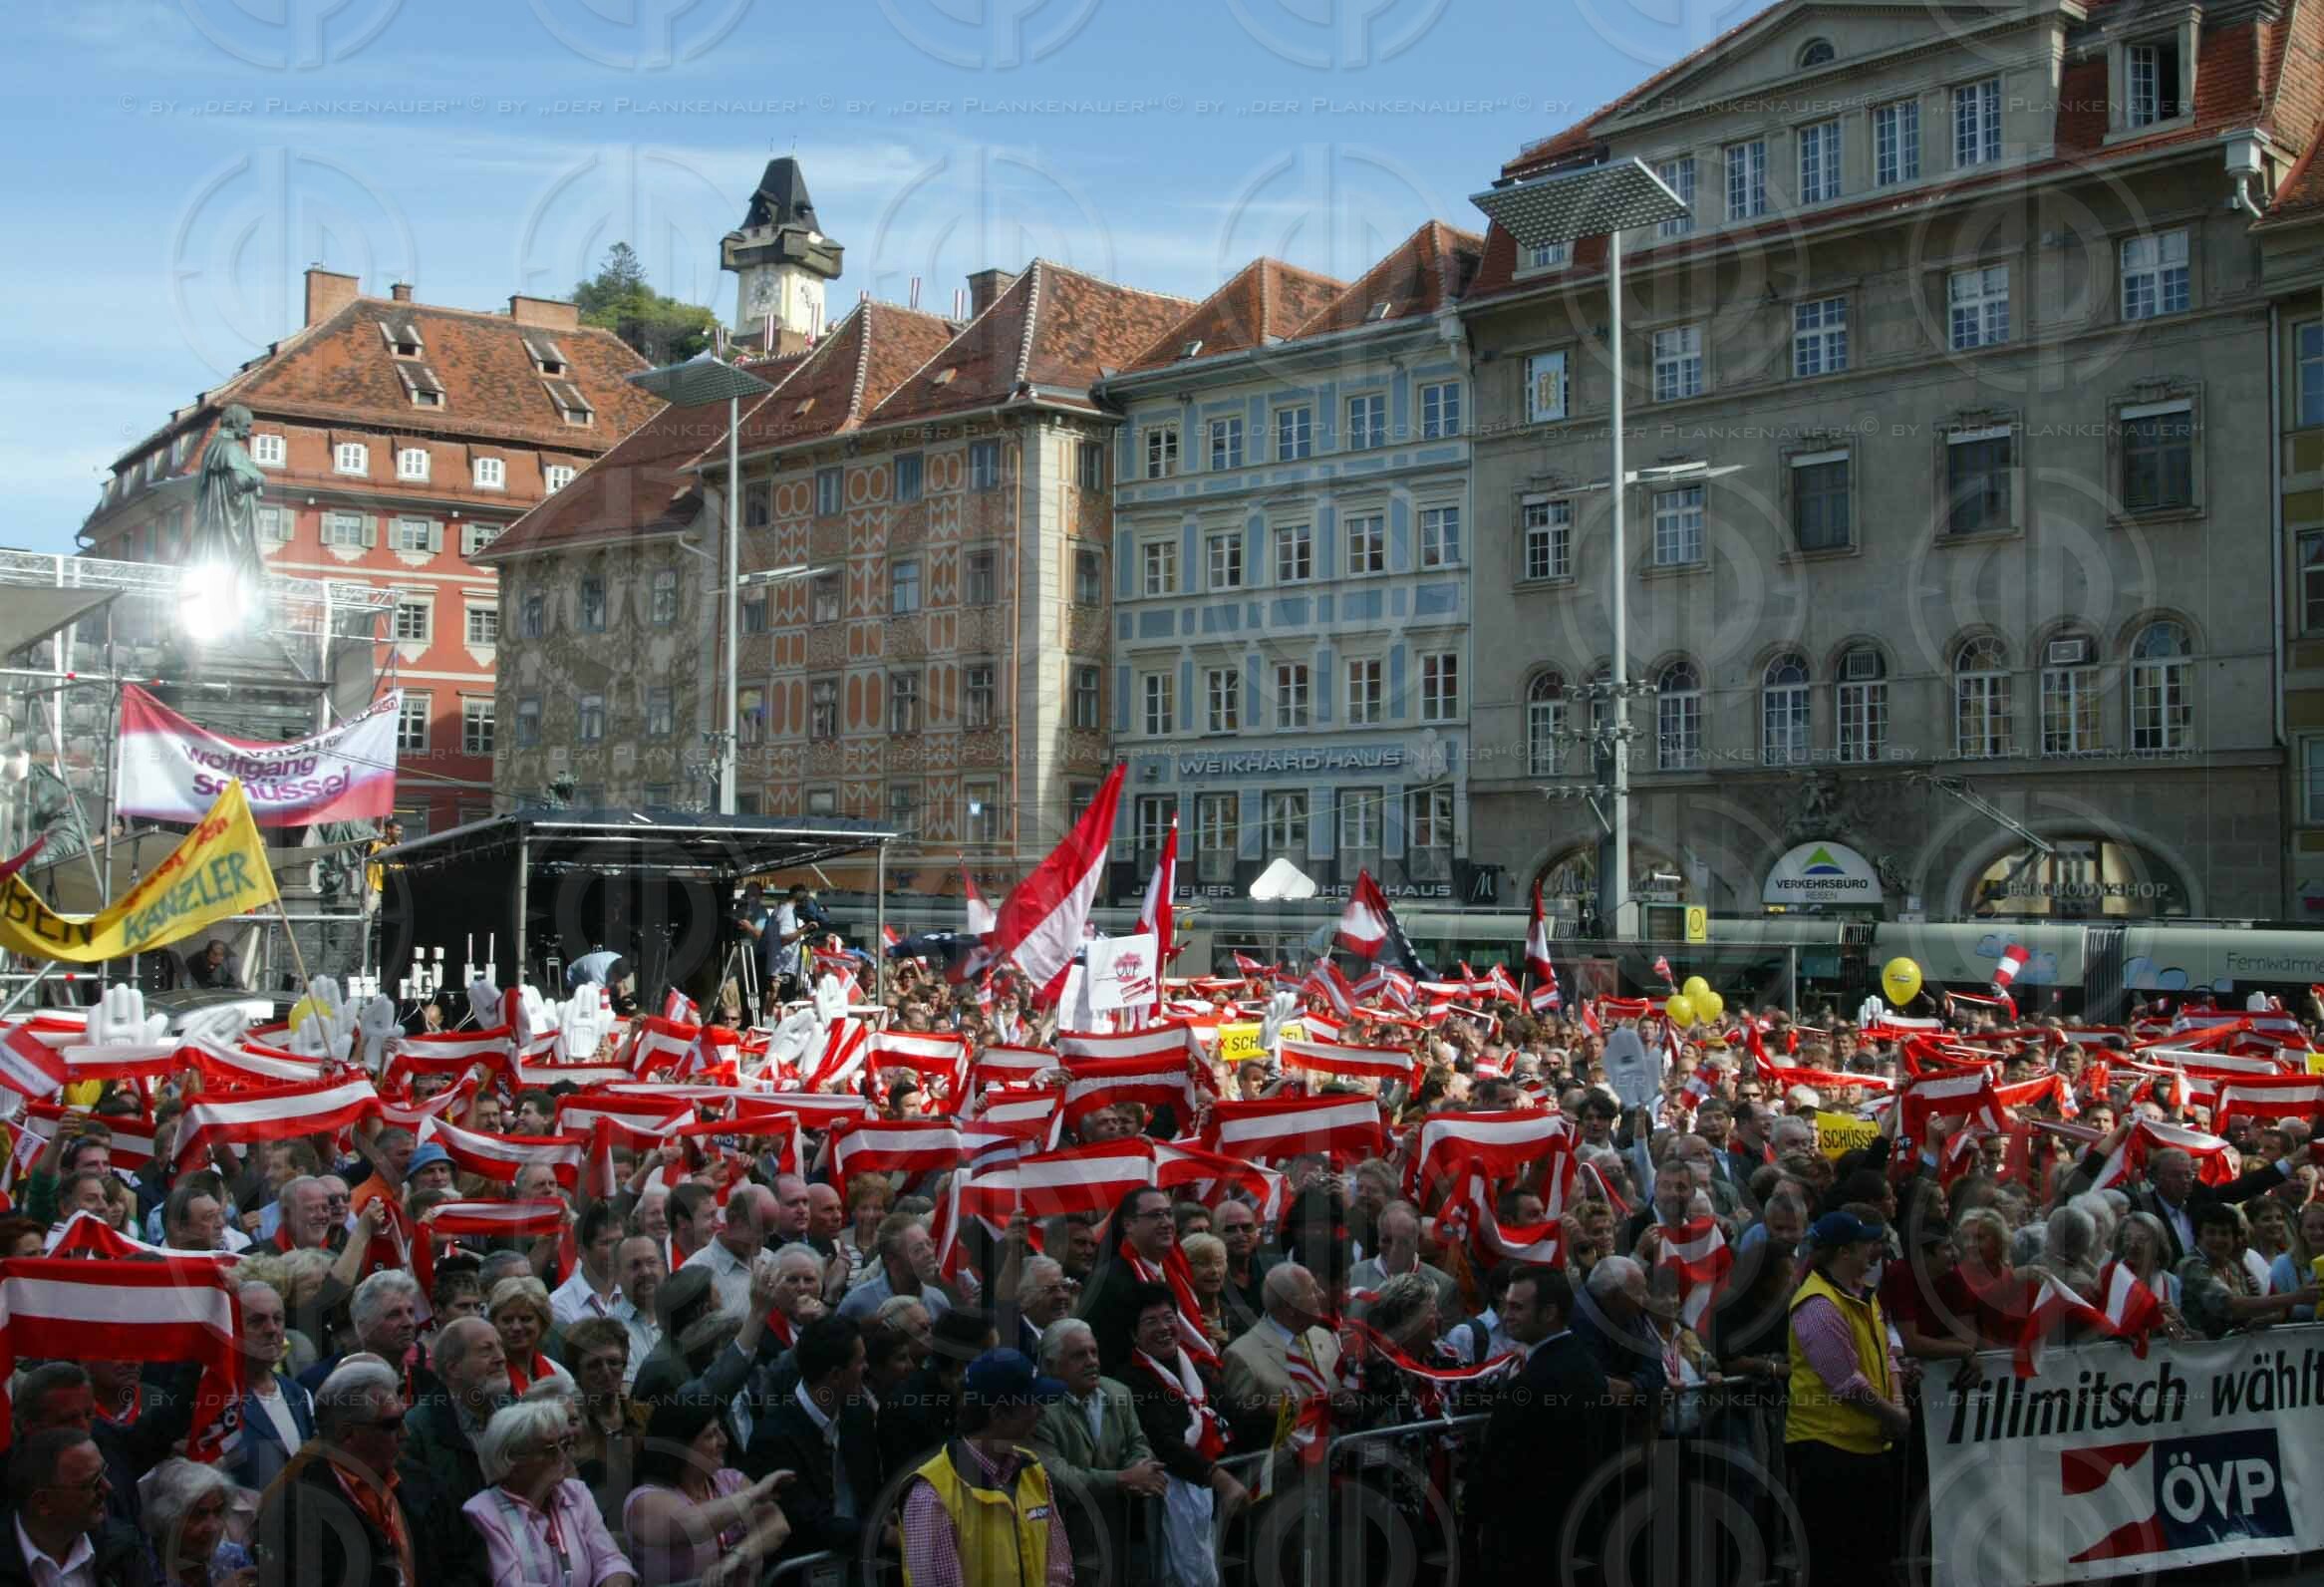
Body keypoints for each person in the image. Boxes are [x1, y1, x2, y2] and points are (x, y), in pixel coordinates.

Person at [1786, 1210, 1910, 1583]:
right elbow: (1844, 1382)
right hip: (1828, 1447)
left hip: (1866, 1443)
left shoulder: (1862, 1295)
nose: (1874, 1250)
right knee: (1836, 1563)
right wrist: (1893, 1415)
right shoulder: (1817, 1305)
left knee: (1873, 1559)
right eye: (1865, 1244)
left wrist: (1897, 1404)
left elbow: (1887, 1355)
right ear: (1844, 1252)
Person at [1478, 1268, 1614, 1586]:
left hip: (1531, 1542)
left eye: (1517, 1307)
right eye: (1506, 1305)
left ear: (1549, 1312)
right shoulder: (1588, 1366)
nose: (1506, 1315)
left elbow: (1500, 1465)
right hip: (1579, 1530)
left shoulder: (1530, 1384)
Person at [897, 1350, 1074, 1587]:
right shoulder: (930, 1496)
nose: (1041, 1412)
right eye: (1032, 1402)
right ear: (998, 1414)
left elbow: (1059, 1572)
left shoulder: (1034, 1472)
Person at [1119, 1285, 1246, 1587]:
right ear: (1134, 1334)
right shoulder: (1130, 1381)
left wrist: (1271, 1413)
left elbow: (1232, 1415)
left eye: (1169, 1318)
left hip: (1204, 1499)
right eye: (1151, 1322)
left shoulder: (1197, 1371)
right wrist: (1218, 1477)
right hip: (1157, 1514)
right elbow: (1163, 1442)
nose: (1164, 1328)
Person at [255, 1361, 415, 1587]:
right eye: (392, 1424)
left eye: (403, 1419)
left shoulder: (414, 1483)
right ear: (347, 1434)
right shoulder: (295, 1515)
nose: (405, 1433)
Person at [741, 1315, 884, 1562]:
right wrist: (879, 1536)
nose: (867, 1368)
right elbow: (805, 1522)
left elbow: (869, 1490)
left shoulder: (858, 1415)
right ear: (836, 1375)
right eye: (860, 1361)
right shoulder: (772, 1438)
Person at [1027, 1318, 1162, 1575]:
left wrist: (1139, 1468)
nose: (1092, 1361)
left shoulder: (1119, 1393)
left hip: (1120, 1534)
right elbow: (1057, 1478)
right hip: (1065, 1541)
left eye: (1094, 1352)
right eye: (1079, 1355)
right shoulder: (1038, 1410)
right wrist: (1122, 1479)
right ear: (1051, 1365)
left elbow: (1138, 1443)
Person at [462, 1397, 636, 1587]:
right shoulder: (483, 1513)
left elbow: (609, 1559)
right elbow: (510, 1584)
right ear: (511, 1460)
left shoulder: (575, 1492)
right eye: (550, 1449)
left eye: (563, 1444)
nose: (562, 1456)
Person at [623, 1400, 794, 1587]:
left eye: (720, 1430)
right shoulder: (645, 1500)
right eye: (711, 1435)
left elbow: (777, 1523)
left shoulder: (728, 1480)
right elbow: (694, 1526)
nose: (724, 1441)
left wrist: (736, 1555)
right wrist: (757, 1492)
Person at [0, 1428, 147, 1587]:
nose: (108, 1487)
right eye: (94, 1483)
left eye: (104, 1472)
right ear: (42, 1502)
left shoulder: (122, 1548)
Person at [1220, 1262, 1339, 1452]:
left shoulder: (1324, 1336)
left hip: (1335, 1457)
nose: (1322, 1295)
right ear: (1290, 1306)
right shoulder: (1240, 1356)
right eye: (1313, 1290)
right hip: (1281, 1466)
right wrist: (1268, 1414)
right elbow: (1240, 1430)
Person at [2177, 1202, 2317, 1337]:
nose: (2218, 1239)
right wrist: (2296, 1297)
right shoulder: (2191, 1265)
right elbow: (2232, 1307)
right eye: (2211, 1233)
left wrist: (2267, 1318)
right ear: (2198, 1236)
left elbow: (2249, 1310)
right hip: (2198, 1350)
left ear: (2234, 1238)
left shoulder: (2230, 1266)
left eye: (2224, 1233)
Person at [230, 1281, 315, 1496]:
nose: (272, 1329)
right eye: (257, 1321)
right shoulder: (216, 1401)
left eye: (277, 1319)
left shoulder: (299, 1394)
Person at [135, 1459, 250, 1587]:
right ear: (166, 1519)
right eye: (200, 1514)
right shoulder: (140, 1570)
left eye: (218, 1512)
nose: (213, 1527)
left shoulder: (233, 1557)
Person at [837, 1213, 951, 1323]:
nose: (929, 1253)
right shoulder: (857, 1303)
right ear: (891, 1259)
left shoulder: (938, 1302)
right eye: (917, 1250)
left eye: (929, 1244)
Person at [487, 1277, 571, 1394]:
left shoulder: (558, 1373)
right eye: (507, 1320)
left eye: (525, 1319)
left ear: (543, 1323)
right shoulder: (487, 1375)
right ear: (493, 1323)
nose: (516, 1327)